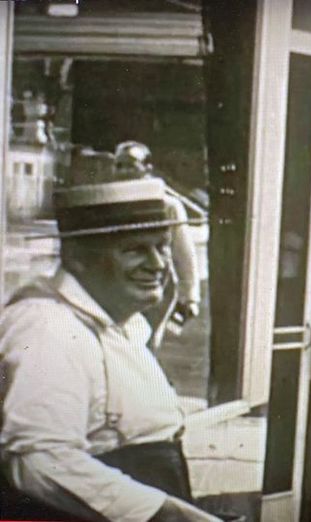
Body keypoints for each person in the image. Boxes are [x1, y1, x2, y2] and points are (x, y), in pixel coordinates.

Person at [0, 172, 220, 521]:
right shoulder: (48, 326)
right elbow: (40, 460)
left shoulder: (121, 321)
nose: (159, 264)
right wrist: (166, 514)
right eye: (134, 250)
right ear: (77, 258)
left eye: (162, 246)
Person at [113, 141, 202, 349]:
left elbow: (184, 253)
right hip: (119, 282)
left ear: (147, 168)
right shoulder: (112, 202)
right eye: (119, 165)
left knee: (146, 343)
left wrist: (189, 296)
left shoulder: (168, 205)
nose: (123, 171)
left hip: (156, 284)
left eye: (131, 165)